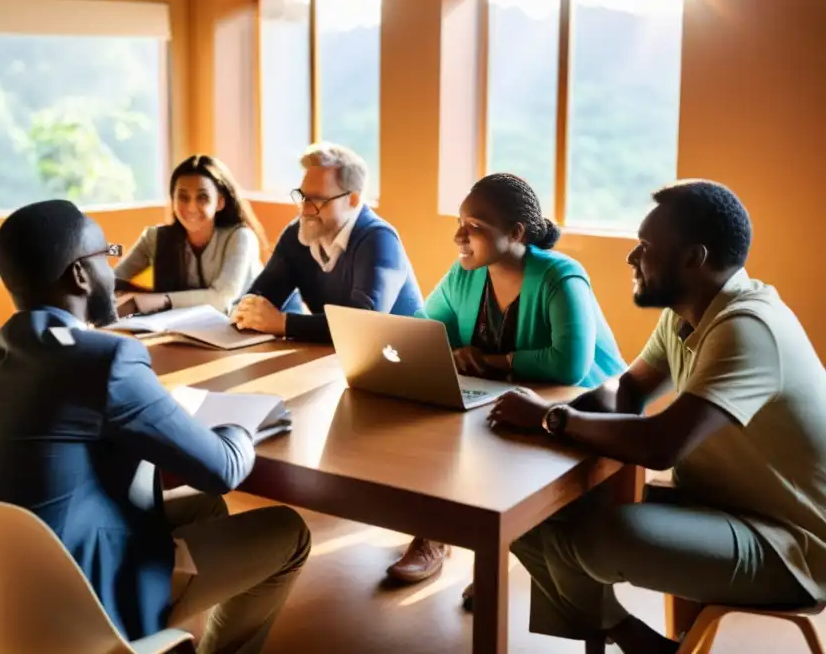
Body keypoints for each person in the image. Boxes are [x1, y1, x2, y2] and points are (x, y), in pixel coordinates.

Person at [0, 199, 310, 653]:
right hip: (84, 602)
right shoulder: (103, 360)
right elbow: (223, 468)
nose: (113, 272)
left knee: (206, 508)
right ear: (79, 275)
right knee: (288, 531)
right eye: (107, 256)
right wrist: (244, 422)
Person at [488, 180, 826, 654]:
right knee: (527, 514)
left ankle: (629, 639)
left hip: (790, 547)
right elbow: (627, 388)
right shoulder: (687, 313)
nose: (631, 258)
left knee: (601, 537)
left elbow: (661, 444)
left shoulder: (747, 328)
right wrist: (560, 416)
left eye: (645, 247)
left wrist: (554, 421)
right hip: (720, 505)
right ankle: (636, 640)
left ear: (694, 258)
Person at [388, 173, 626, 585]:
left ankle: (495, 562)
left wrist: (492, 361)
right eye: (460, 223)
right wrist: (452, 353)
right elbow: (424, 330)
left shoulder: (561, 276)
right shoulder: (465, 273)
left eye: (474, 227)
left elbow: (568, 365)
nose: (459, 236)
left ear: (516, 232)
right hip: (509, 398)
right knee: (431, 422)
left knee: (494, 445)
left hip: (578, 407)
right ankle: (434, 534)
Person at [232, 143, 422, 343]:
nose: (305, 210)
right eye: (302, 197)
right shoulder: (297, 234)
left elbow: (363, 324)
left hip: (399, 359)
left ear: (353, 200)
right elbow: (261, 297)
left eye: (317, 200)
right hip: (338, 357)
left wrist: (284, 323)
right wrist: (246, 311)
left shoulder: (379, 240)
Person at [114, 155, 266, 315]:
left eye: (202, 197)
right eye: (183, 197)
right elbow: (113, 280)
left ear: (220, 202)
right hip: (192, 329)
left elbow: (222, 298)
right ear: (173, 199)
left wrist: (158, 300)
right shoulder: (154, 239)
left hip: (258, 329)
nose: (191, 207)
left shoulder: (241, 237)